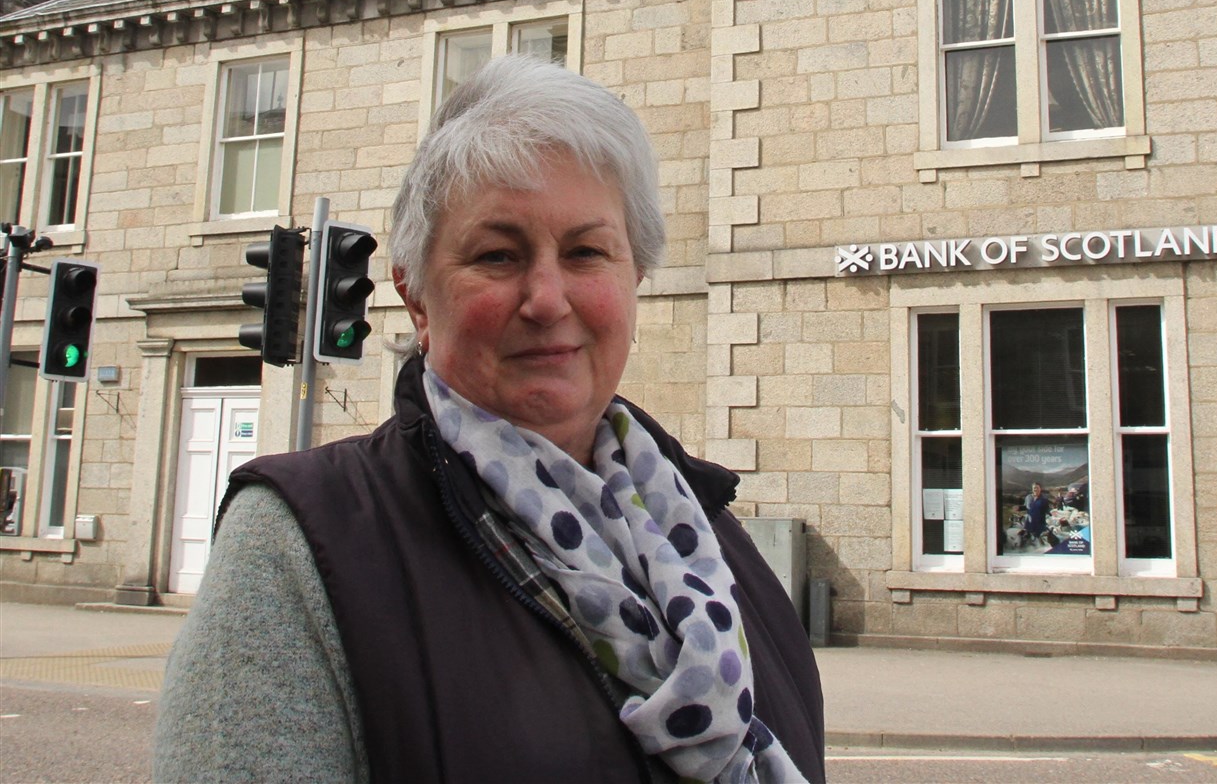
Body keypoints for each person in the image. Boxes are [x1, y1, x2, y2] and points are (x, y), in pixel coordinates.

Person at [155, 55, 825, 783]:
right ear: (416, 299)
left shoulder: (710, 530)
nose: (546, 297)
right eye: (498, 255)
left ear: (635, 278)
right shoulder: (299, 547)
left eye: (586, 252)